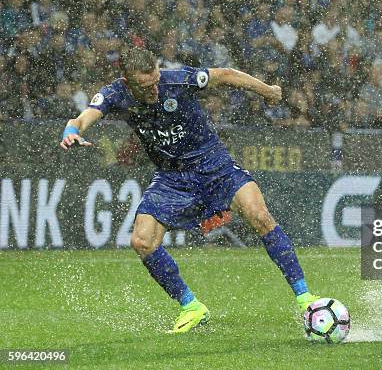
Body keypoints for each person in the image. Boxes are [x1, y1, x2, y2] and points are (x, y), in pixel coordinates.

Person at [59, 47, 320, 334]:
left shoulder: (178, 80)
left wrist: (268, 90)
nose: (156, 90)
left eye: (157, 81)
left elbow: (227, 75)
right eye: (147, 87)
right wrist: (71, 133)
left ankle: (305, 298)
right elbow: (82, 118)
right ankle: (191, 306)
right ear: (128, 82)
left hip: (214, 165)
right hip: (172, 178)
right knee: (142, 241)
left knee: (259, 215)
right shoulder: (114, 95)